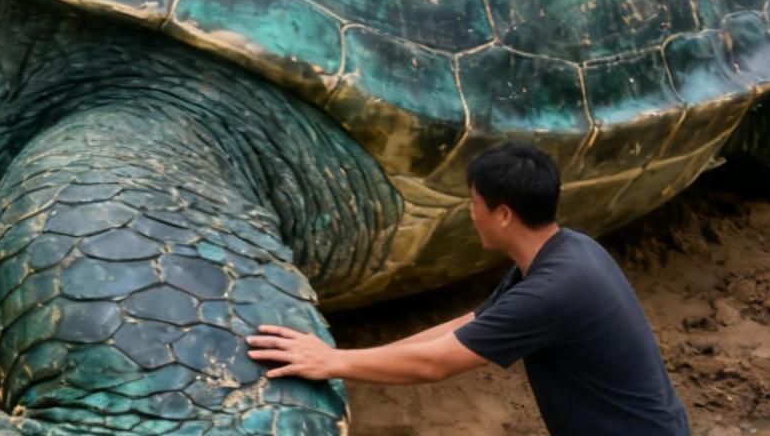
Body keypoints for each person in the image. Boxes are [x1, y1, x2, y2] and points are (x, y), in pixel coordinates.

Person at [246, 144, 690, 435]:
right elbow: (467, 325)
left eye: (473, 202)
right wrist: (345, 360)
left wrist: (333, 361)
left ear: (502, 214)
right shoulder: (564, 250)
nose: (470, 213)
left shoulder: (555, 288)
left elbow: (436, 364)